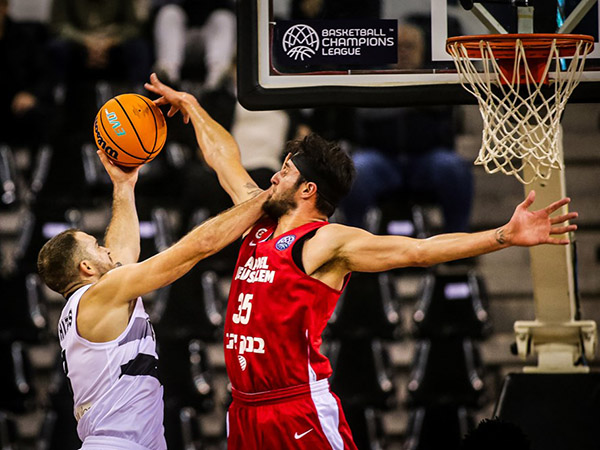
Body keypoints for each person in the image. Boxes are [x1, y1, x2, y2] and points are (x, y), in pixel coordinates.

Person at [145, 73, 578, 450]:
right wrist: (193, 106)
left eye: (285, 171)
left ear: (308, 190)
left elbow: (419, 250)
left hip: (295, 408)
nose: (274, 177)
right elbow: (225, 160)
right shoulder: (259, 216)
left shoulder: (325, 241)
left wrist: (504, 235)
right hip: (243, 408)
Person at [36, 150, 268, 450]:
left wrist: (123, 185)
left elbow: (122, 254)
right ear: (87, 268)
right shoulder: (102, 294)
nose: (106, 248)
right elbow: (196, 248)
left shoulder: (88, 303)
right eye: (96, 246)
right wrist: (265, 199)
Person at [340, 22, 473, 233]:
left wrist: (397, 103)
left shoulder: (437, 78)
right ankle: (352, 239)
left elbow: (443, 108)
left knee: (453, 168)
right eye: (397, 46)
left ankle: (458, 242)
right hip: (382, 159)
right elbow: (364, 112)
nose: (403, 52)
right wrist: (417, 104)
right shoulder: (372, 78)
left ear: (422, 50)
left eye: (410, 46)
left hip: (426, 159)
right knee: (358, 169)